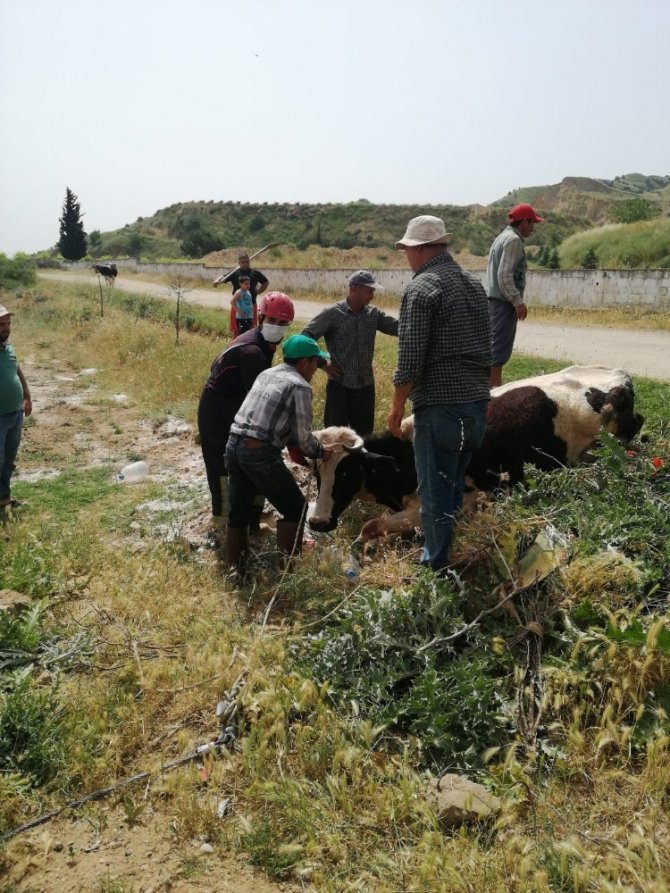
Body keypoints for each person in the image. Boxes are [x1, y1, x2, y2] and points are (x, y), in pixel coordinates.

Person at [387, 215, 491, 573]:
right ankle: (440, 553)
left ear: (418, 249)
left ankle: (437, 571)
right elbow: (486, 350)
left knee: (434, 496)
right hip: (476, 408)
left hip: (441, 411)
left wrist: (397, 407)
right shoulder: (474, 286)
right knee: (450, 490)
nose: (406, 257)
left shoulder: (422, 288)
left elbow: (410, 358)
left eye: (406, 251)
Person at [224, 334, 334, 573]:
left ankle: (236, 570)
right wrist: (322, 452)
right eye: (316, 362)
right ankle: (287, 573)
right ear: (303, 362)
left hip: (233, 444)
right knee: (296, 508)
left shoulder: (268, 374)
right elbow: (305, 439)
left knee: (238, 512)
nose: (316, 369)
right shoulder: (299, 385)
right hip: (258, 451)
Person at [197, 292, 295, 542]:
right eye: (273, 320)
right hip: (217, 413)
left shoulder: (263, 344)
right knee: (223, 468)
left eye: (283, 323)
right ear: (260, 317)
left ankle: (250, 522)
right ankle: (224, 527)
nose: (278, 327)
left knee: (249, 464)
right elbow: (263, 399)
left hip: (237, 406)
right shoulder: (251, 352)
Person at [301, 270, 398, 435]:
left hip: (365, 386)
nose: (372, 295)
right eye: (370, 290)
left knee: (364, 437)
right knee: (335, 436)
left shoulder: (373, 314)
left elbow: (397, 327)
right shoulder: (332, 314)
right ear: (354, 288)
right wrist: (322, 362)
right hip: (340, 386)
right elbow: (304, 337)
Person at [485, 202, 545, 387]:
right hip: (503, 303)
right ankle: (493, 394)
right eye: (532, 223)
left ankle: (491, 390)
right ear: (524, 222)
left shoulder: (503, 237)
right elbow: (504, 275)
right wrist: (517, 302)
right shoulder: (513, 241)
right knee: (498, 351)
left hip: (496, 301)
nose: (533, 228)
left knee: (494, 348)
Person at [0, 305, 32, 515]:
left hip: (15, 413)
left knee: (9, 459)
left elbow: (17, 370)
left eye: (8, 324)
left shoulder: (8, 346)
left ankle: (3, 499)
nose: (6, 328)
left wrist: (27, 395)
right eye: (1, 324)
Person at [217, 252, 269, 331]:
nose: (245, 264)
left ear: (249, 261)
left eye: (247, 262)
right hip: (237, 307)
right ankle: (236, 343)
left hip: (251, 307)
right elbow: (223, 277)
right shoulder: (235, 273)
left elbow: (265, 282)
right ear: (239, 263)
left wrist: (259, 291)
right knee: (236, 330)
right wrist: (217, 280)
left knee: (251, 330)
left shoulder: (255, 273)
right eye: (243, 262)